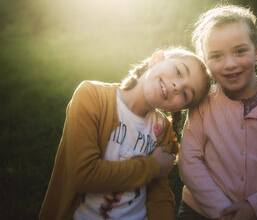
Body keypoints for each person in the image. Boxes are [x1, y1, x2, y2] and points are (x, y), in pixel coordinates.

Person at [39, 47, 211, 220]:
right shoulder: (92, 96)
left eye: (186, 94)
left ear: (177, 108)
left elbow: (158, 195)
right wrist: (153, 166)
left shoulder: (162, 129)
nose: (177, 86)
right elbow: (83, 175)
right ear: (157, 58)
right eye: (178, 71)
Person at [178, 4, 257, 220]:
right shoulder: (203, 102)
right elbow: (189, 161)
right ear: (206, 62)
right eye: (216, 56)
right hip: (199, 211)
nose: (230, 64)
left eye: (240, 51)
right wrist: (222, 212)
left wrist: (254, 207)